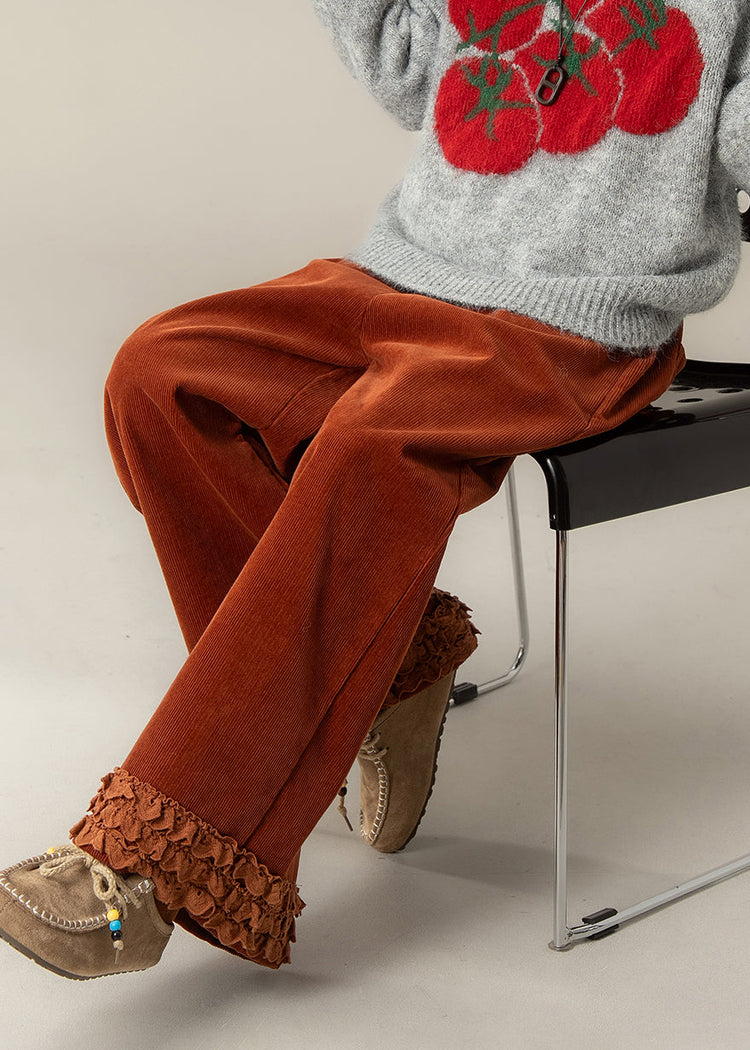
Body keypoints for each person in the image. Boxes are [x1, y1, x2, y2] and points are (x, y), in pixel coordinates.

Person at [0, 0, 747, 980]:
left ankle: (148, 872)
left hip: (579, 321)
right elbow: (413, 70)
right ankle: (393, 666)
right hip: (402, 277)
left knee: (370, 445)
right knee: (159, 374)